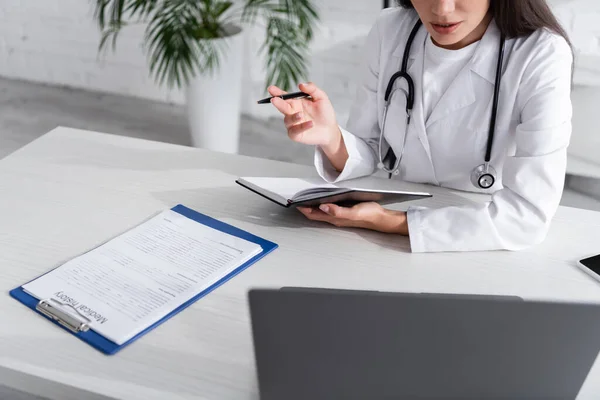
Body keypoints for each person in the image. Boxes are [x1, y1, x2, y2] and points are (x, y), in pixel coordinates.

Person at [267, 0, 574, 253]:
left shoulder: (541, 54)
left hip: (481, 235)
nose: (441, 9)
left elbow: (527, 217)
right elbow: (371, 150)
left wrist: (390, 222)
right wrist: (331, 137)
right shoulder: (391, 29)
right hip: (391, 225)